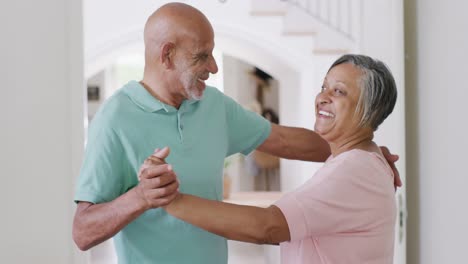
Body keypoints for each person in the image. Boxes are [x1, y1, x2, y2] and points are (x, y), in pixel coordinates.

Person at [72, 2, 400, 263]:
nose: (213, 67)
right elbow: (83, 232)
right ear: (167, 55)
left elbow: (284, 140)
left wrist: (359, 148)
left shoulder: (213, 105)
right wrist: (140, 198)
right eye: (202, 56)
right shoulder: (114, 119)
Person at [143, 54, 399, 264]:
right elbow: (282, 142)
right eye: (324, 87)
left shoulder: (354, 169)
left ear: (370, 111)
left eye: (339, 91)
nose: (322, 97)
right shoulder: (362, 161)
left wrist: (170, 200)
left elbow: (268, 227)